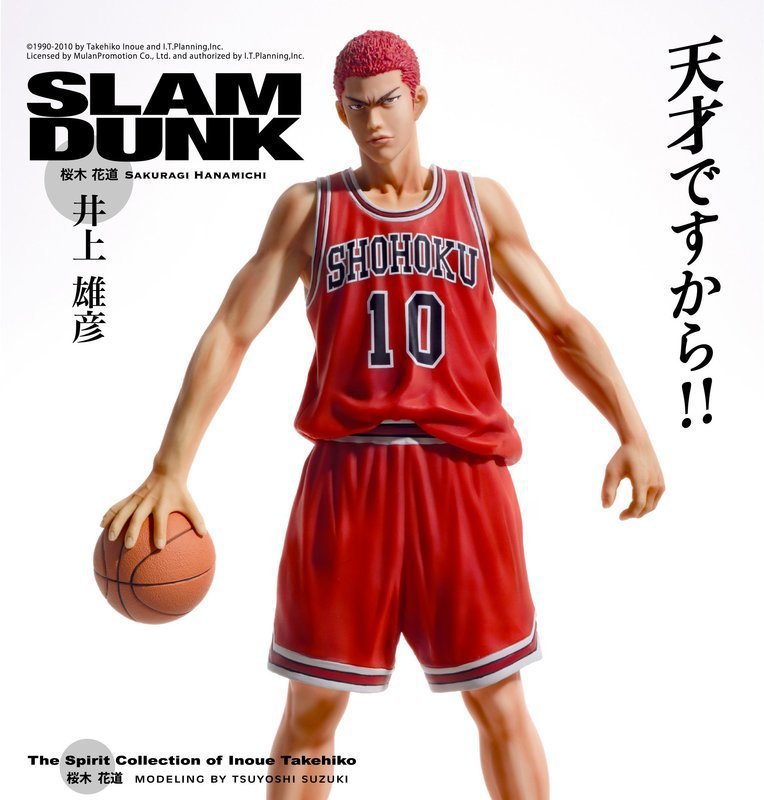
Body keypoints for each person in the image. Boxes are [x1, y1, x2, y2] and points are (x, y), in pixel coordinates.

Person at [100, 30, 664, 800]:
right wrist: (170, 467)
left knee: (500, 702)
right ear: (340, 111)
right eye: (358, 106)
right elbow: (231, 329)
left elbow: (561, 323)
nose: (375, 120)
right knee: (310, 708)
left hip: (462, 477)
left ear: (418, 99)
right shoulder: (309, 209)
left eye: (389, 101)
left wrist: (632, 431)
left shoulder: (479, 203)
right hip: (348, 478)